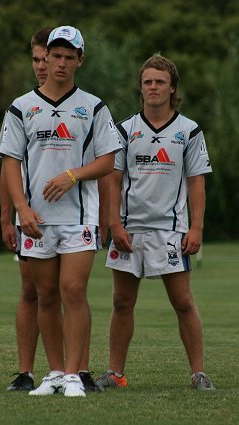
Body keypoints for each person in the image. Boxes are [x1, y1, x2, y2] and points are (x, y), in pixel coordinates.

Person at [0, 25, 121, 397]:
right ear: (45, 58)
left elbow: (109, 160)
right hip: (35, 220)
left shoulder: (93, 106)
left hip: (79, 217)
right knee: (45, 294)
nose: (62, 62)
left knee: (73, 290)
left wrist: (73, 175)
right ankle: (53, 373)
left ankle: (73, 375)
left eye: (70, 56)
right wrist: (20, 209)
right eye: (56, 55)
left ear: (79, 61)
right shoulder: (22, 107)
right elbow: (9, 163)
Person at [97, 54, 215, 391]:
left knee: (183, 302)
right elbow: (113, 180)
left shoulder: (188, 131)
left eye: (160, 81)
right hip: (129, 230)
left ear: (172, 87)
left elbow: (196, 183)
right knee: (122, 302)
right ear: (141, 87)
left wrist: (196, 228)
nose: (153, 87)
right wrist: (114, 225)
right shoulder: (124, 129)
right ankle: (115, 373)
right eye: (147, 81)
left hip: (171, 231)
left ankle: (198, 373)